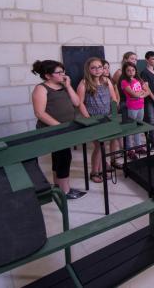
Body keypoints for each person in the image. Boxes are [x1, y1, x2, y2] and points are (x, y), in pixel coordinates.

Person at [31, 60, 86, 200]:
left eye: (63, 71)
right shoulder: (41, 89)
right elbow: (40, 113)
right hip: (54, 130)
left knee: (59, 157)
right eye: (59, 72)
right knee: (64, 158)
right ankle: (65, 191)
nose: (63, 74)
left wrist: (68, 86)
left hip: (65, 129)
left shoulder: (63, 86)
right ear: (48, 76)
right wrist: (60, 127)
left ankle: (58, 187)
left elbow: (77, 102)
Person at [77, 57, 118, 183]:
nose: (97, 70)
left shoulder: (106, 81)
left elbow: (114, 98)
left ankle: (102, 169)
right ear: (88, 69)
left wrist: (113, 114)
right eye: (93, 67)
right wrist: (88, 119)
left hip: (106, 118)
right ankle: (94, 172)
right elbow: (80, 103)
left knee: (103, 145)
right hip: (93, 119)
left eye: (99, 67)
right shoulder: (84, 83)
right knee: (99, 147)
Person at [120, 61, 149, 156]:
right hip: (132, 107)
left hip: (141, 106)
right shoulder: (124, 82)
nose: (131, 72)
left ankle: (138, 146)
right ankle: (129, 149)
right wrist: (140, 94)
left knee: (138, 126)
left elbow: (147, 92)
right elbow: (133, 94)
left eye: (133, 70)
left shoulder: (138, 79)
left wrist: (139, 95)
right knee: (130, 128)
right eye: (128, 70)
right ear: (125, 71)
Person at [140, 51, 154, 151]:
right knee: (151, 121)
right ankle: (152, 141)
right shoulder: (144, 72)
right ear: (147, 60)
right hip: (149, 100)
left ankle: (153, 138)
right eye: (152, 59)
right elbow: (146, 89)